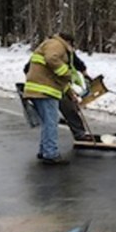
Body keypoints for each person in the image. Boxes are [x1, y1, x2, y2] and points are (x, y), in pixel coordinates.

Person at [23, 32, 77, 164]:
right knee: (51, 122)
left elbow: (56, 77)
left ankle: (45, 150)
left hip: (39, 89)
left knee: (48, 123)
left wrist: (70, 93)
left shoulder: (49, 44)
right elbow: (52, 60)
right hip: (44, 91)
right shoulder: (57, 45)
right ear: (68, 42)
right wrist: (69, 74)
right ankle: (50, 154)